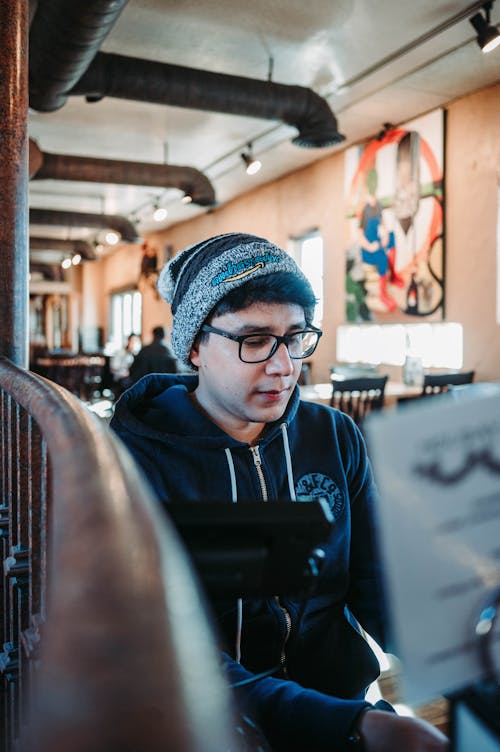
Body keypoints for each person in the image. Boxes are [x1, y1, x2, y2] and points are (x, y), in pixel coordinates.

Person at [111, 232, 448, 752]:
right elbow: (171, 649)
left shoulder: (333, 436)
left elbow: (377, 583)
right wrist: (353, 725)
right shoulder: (135, 460)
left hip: (343, 699)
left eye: (294, 338)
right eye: (254, 340)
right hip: (213, 723)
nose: (283, 366)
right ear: (195, 346)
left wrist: (459, 647)